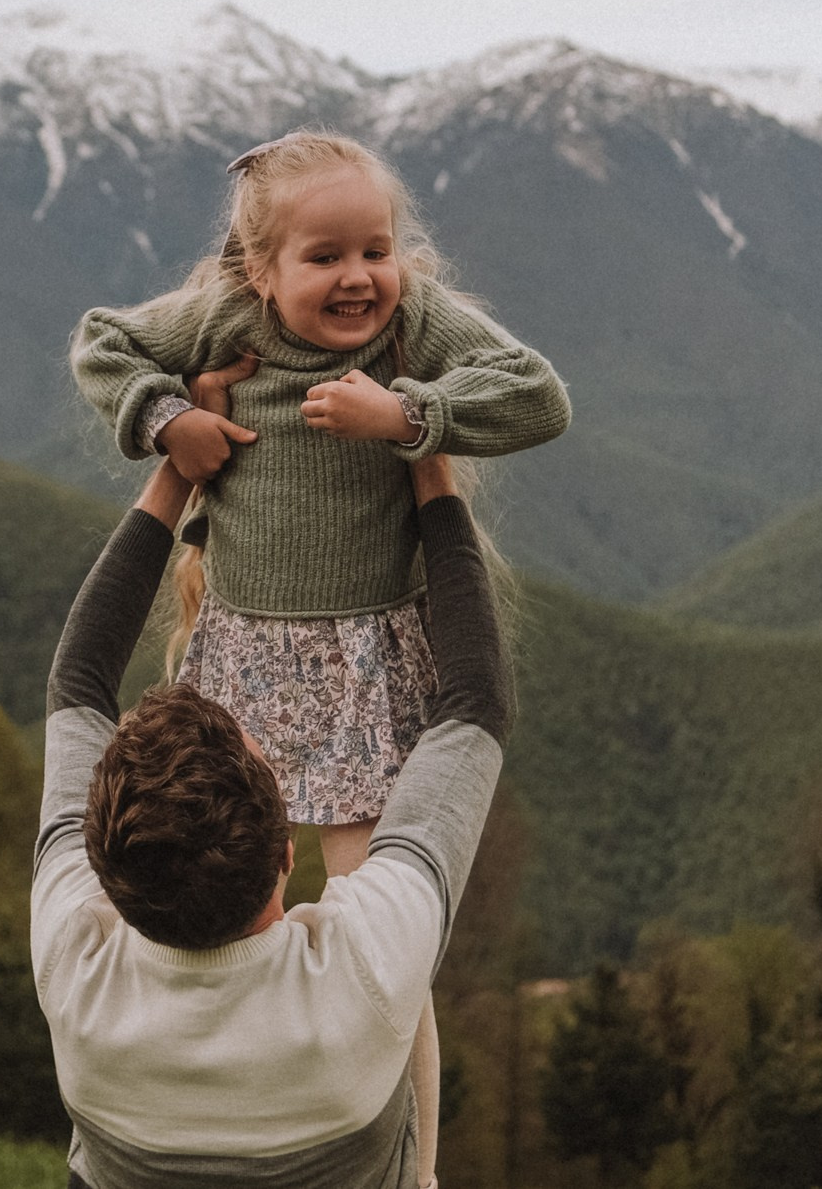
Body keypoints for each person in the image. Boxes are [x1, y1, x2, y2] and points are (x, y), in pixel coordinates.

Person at [69, 130, 565, 1179]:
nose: (359, 277)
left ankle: (415, 1166)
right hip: (240, 653)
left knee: (384, 943)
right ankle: (195, 1097)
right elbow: (101, 342)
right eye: (325, 255)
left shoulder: (414, 325)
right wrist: (166, 421)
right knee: (191, 903)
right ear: (261, 269)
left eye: (375, 249)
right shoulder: (224, 314)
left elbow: (536, 395)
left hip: (366, 661)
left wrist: (409, 414)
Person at [32, 442, 512, 1189]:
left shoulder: (76, 966)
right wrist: (426, 458)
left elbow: (79, 679)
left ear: (106, 869)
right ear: (288, 851)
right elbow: (475, 699)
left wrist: (179, 462)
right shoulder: (364, 973)